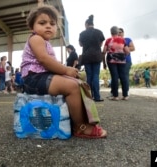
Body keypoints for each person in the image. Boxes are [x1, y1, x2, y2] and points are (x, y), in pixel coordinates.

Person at [20, 5, 107, 139]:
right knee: (72, 87)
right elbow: (44, 60)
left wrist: (68, 73)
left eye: (52, 23)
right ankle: (80, 126)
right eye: (42, 23)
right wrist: (66, 70)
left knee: (77, 83)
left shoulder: (46, 42)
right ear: (32, 27)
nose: (48, 26)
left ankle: (79, 117)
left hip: (42, 76)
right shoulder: (35, 38)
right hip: (34, 79)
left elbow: (50, 65)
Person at [79, 15, 105, 102]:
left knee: (89, 76)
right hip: (97, 56)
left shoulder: (82, 33)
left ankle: (89, 96)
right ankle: (97, 97)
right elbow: (101, 44)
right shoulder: (99, 32)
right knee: (96, 76)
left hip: (87, 56)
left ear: (86, 24)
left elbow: (81, 45)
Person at [102, 26, 130, 100]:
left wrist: (104, 62)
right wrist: (122, 55)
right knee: (123, 77)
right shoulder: (122, 40)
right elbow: (127, 51)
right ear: (118, 32)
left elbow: (104, 52)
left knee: (114, 77)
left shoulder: (108, 40)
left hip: (111, 60)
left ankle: (115, 96)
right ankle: (125, 95)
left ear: (111, 32)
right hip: (122, 60)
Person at [118, 28, 135, 94]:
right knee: (116, 76)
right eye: (118, 32)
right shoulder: (114, 40)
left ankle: (126, 92)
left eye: (120, 32)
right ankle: (113, 93)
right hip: (117, 61)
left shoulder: (127, 39)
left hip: (126, 60)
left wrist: (125, 48)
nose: (119, 33)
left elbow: (133, 48)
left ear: (123, 33)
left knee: (125, 76)